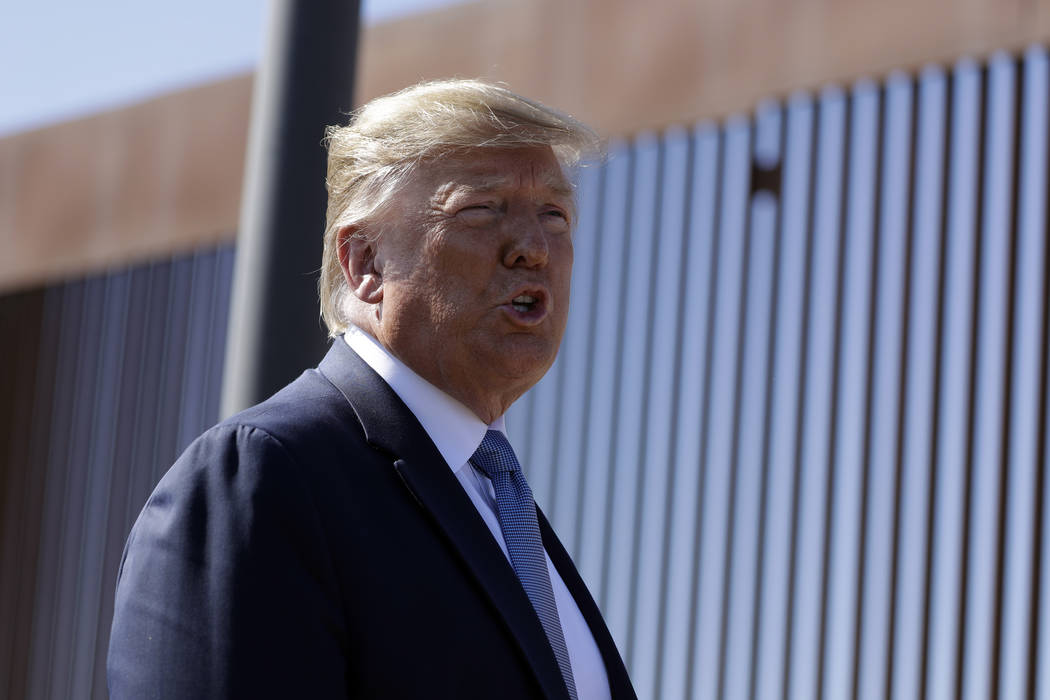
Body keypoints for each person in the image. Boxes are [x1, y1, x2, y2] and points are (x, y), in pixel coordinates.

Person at [107, 79, 636, 699]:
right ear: (365, 263)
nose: (533, 249)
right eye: (480, 209)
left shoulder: (500, 504)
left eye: (555, 215)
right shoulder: (263, 477)